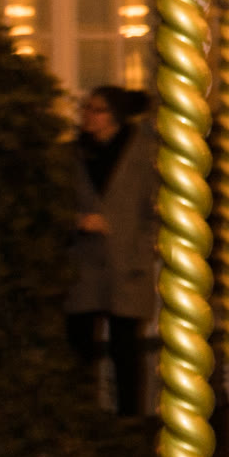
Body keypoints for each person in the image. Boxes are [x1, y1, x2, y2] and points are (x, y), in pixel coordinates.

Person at [64, 86, 160, 417]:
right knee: (80, 348)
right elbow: (54, 204)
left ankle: (130, 420)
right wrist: (78, 221)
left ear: (115, 116)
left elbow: (156, 210)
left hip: (127, 265)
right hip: (84, 265)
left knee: (126, 351)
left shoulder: (143, 153)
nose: (88, 116)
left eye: (98, 110)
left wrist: (141, 246)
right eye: (86, 108)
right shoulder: (73, 153)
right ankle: (82, 419)